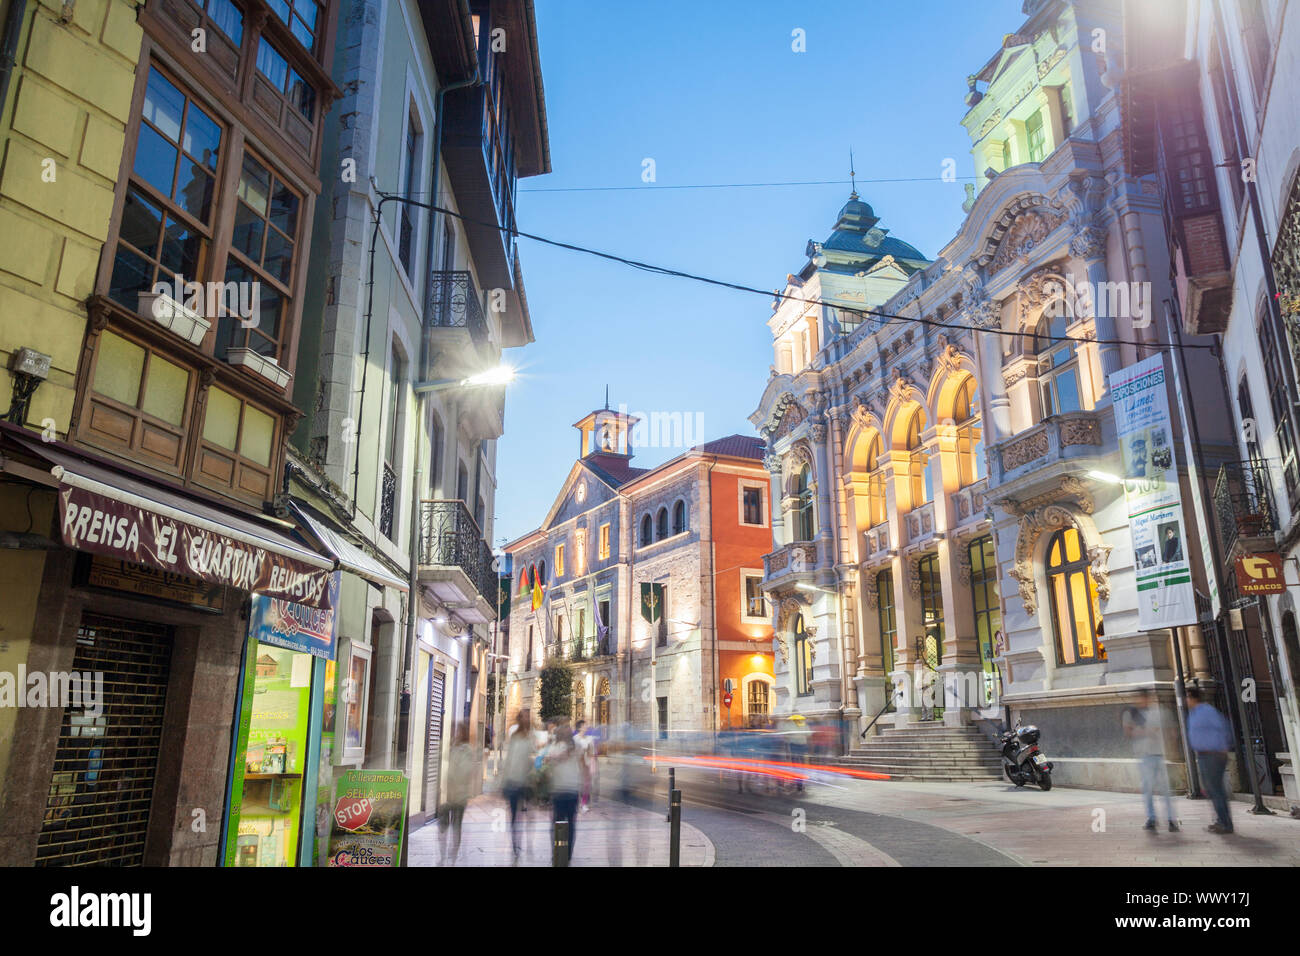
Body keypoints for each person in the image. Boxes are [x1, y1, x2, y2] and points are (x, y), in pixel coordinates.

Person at [1121, 689, 1178, 832]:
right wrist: (1144, 732)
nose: (1141, 701)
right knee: (1148, 789)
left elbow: (1172, 731)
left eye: (1143, 698)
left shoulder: (1159, 712)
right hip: (1144, 755)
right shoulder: (1131, 713)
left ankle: (1171, 819)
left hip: (1158, 754)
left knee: (1164, 789)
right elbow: (1127, 732)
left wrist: (1167, 738)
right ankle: (1152, 818)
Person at [1186, 687, 1234, 834]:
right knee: (1212, 790)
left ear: (1194, 698)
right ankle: (1221, 820)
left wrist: (1223, 748)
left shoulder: (1207, 711)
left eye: (1187, 697)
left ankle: (1225, 824)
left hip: (1213, 755)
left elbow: (1223, 727)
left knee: (1216, 790)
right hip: (1203, 755)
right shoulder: (1193, 714)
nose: (1186, 701)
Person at [438, 725, 477, 865]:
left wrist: (454, 781)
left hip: (460, 795)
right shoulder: (454, 747)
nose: (457, 734)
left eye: (459, 731)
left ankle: (453, 856)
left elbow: (465, 770)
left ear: (464, 733)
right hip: (450, 793)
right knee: (444, 824)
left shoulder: (467, 750)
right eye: (456, 732)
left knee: (456, 826)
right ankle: (443, 856)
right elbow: (442, 755)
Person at [502, 711, 536, 860]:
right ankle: (516, 844)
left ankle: (528, 843)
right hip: (513, 780)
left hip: (526, 781)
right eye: (523, 717)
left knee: (529, 814)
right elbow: (509, 759)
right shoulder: (514, 736)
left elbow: (534, 756)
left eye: (527, 717)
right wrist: (504, 779)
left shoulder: (531, 737)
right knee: (515, 815)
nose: (526, 720)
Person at [545, 727, 582, 861]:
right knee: (564, 823)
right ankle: (562, 852)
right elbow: (548, 762)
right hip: (563, 791)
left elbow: (549, 762)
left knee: (563, 823)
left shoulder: (573, 746)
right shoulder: (558, 746)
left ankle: (563, 853)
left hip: (566, 790)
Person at [574, 720, 595, 812]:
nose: (586, 727)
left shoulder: (590, 739)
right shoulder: (575, 739)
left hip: (587, 764)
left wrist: (591, 762)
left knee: (586, 785)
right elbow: (574, 753)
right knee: (578, 784)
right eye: (584, 726)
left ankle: (584, 803)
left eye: (586, 725)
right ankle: (577, 803)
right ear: (579, 728)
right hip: (577, 764)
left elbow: (592, 752)